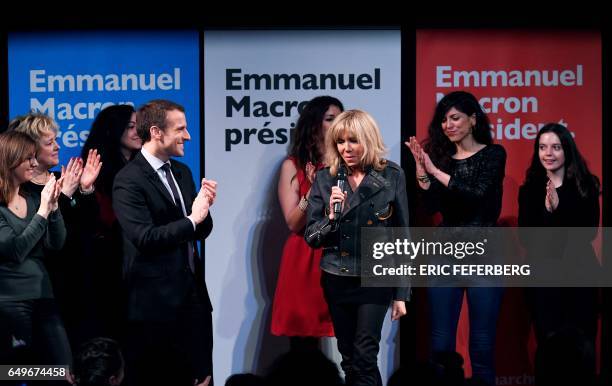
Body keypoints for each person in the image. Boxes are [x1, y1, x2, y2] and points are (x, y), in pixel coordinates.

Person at [112, 99, 217, 386]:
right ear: (157, 132)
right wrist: (192, 220)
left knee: (203, 377)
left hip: (193, 299)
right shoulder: (128, 180)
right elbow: (145, 238)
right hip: (156, 307)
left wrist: (204, 210)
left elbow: (199, 230)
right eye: (181, 129)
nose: (188, 136)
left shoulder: (182, 172)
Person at [406, 91, 506, 386]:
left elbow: (477, 195)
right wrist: (422, 173)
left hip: (485, 250)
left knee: (482, 344)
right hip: (445, 250)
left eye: (455, 118)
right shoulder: (441, 159)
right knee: (440, 342)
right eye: (444, 120)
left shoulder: (493, 154)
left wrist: (434, 171)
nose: (447, 125)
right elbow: (431, 206)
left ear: (472, 120)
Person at [305, 109, 409, 386]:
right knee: (349, 358)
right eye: (340, 142)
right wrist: (330, 217)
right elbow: (312, 237)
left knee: (364, 356)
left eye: (353, 141)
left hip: (376, 277)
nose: (346, 148)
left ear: (368, 139)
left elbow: (402, 236)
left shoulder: (391, 175)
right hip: (337, 277)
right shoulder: (326, 178)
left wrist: (401, 292)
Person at [10, 112, 102, 349]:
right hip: (44, 288)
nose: (57, 146)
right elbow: (44, 239)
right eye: (49, 142)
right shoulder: (19, 189)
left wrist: (86, 190)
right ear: (30, 148)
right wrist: (65, 197)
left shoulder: (65, 178)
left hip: (77, 284)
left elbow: (88, 227)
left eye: (56, 140)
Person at [518, 123, 600, 365]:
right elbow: (526, 237)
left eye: (556, 147)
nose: (548, 153)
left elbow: (588, 232)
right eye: (542, 147)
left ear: (567, 150)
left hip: (580, 277)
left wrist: (558, 209)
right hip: (543, 280)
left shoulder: (586, 185)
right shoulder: (530, 190)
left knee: (583, 346)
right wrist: (547, 211)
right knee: (549, 347)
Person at [271, 96, 343, 347]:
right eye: (330, 119)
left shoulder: (348, 163)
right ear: (315, 124)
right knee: (303, 342)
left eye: (340, 118)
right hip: (304, 255)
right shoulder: (293, 166)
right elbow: (293, 223)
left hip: (339, 254)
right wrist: (312, 192)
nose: (337, 124)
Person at [0, 131, 68, 372]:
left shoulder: (32, 198)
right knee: (20, 371)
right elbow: (16, 250)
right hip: (11, 303)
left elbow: (55, 243)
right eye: (27, 158)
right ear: (10, 160)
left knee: (63, 370)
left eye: (34, 157)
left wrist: (54, 207)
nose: (34, 163)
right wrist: (42, 212)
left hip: (44, 296)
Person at [79, 104, 141, 343]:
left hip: (140, 266)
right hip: (108, 266)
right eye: (130, 126)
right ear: (113, 130)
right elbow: (98, 219)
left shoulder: (145, 166)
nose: (137, 132)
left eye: (139, 126)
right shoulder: (96, 169)